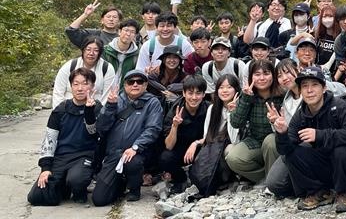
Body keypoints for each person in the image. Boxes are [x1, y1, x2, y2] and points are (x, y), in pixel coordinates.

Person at [273, 66, 346, 213]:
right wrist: (282, 133)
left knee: (342, 149)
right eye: (305, 86)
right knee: (292, 154)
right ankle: (319, 191)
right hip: (322, 165)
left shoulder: (339, 106)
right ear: (300, 91)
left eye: (314, 85)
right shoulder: (301, 115)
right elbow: (285, 149)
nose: (309, 90)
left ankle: (344, 193)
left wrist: (319, 135)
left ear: (324, 88)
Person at [27, 67, 101, 206]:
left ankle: (79, 190)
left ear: (92, 86)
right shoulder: (61, 110)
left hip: (85, 156)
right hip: (61, 157)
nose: (80, 88)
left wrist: (89, 112)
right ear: (71, 86)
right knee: (36, 197)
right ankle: (63, 187)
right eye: (76, 84)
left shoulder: (98, 108)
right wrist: (45, 168)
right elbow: (50, 140)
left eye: (85, 83)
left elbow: (95, 133)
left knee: (76, 180)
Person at [92, 70, 163, 205]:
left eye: (139, 82)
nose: (135, 85)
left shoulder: (152, 103)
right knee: (99, 199)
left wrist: (136, 147)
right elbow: (101, 128)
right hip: (114, 153)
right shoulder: (116, 100)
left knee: (133, 162)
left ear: (146, 85)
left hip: (137, 152)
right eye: (131, 82)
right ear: (125, 85)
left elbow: (153, 129)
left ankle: (134, 189)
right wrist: (110, 106)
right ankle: (119, 184)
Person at [226, 59, 283, 183]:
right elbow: (236, 123)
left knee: (271, 141)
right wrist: (246, 99)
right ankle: (268, 179)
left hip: (277, 142)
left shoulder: (282, 95)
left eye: (266, 73)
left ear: (273, 76)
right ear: (251, 77)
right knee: (233, 158)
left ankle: (274, 182)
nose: (262, 78)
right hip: (255, 140)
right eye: (257, 74)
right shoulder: (247, 95)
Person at [189, 74, 242, 197]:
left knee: (229, 150)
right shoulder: (213, 108)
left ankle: (232, 177)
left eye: (229, 87)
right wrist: (195, 143)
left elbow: (235, 139)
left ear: (236, 90)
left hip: (232, 147)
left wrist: (232, 113)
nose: (224, 90)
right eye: (221, 87)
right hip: (216, 145)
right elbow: (208, 136)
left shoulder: (241, 107)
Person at [161, 75, 210, 194]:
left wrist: (196, 144)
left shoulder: (209, 108)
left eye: (198, 93)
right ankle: (180, 179)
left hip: (201, 149)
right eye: (190, 93)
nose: (194, 97)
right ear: (184, 93)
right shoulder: (175, 111)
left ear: (204, 94)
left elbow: (214, 135)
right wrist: (175, 126)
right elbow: (169, 146)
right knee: (165, 158)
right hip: (180, 150)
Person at [265, 59, 303, 197]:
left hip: (309, 144)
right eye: (280, 76)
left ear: (298, 70)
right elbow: (284, 134)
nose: (284, 78)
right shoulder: (286, 100)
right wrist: (276, 123)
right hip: (292, 147)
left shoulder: (311, 92)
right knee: (274, 183)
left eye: (287, 72)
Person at [52, 37, 115, 108]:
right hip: (68, 111)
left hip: (94, 110)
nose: (91, 53)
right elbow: (58, 93)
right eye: (88, 49)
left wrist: (99, 114)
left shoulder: (107, 68)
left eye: (96, 50)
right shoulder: (70, 66)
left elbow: (107, 96)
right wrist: (59, 112)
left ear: (100, 52)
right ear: (83, 50)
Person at [103, 19, 140, 90]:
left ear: (135, 36)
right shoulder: (105, 51)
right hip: (104, 91)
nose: (128, 34)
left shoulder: (136, 55)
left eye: (132, 32)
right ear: (119, 31)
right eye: (126, 30)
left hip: (125, 94)